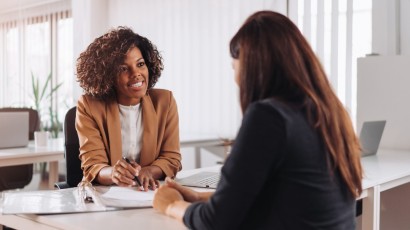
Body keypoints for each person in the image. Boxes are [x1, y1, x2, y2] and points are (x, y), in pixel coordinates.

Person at [153, 10, 362, 229]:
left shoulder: (269, 117)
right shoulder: (333, 113)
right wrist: (197, 197)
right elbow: (281, 196)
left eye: (234, 67)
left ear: (252, 66)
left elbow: (216, 222)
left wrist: (171, 205)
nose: (236, 80)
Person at [76, 26, 182, 191]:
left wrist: (148, 172)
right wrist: (114, 173)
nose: (136, 73)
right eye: (123, 69)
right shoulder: (89, 106)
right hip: (105, 197)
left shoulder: (164, 102)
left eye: (140, 64)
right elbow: (93, 165)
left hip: (148, 193)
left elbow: (171, 159)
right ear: (107, 75)